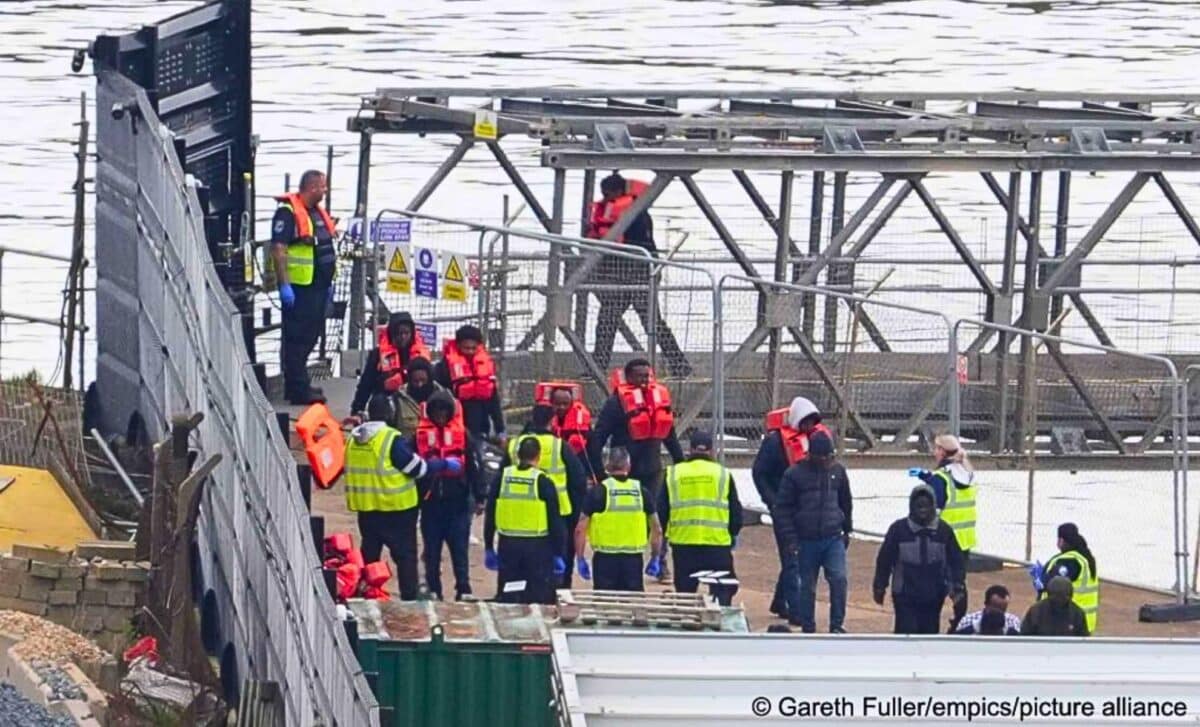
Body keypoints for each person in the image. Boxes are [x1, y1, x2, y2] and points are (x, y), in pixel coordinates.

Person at [587, 172, 691, 378]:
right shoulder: (614, 211)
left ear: (619, 192)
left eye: (609, 195)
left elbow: (638, 244)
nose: (606, 199)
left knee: (652, 322)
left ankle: (679, 365)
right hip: (618, 276)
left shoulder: (637, 214)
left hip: (641, 273)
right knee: (606, 320)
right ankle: (597, 367)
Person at [589, 359, 685, 576]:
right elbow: (598, 438)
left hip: (652, 469)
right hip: (623, 471)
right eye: (639, 376)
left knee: (657, 517)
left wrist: (680, 462)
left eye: (647, 376)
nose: (644, 380)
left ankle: (659, 562)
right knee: (619, 516)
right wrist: (598, 473)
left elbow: (669, 434)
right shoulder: (616, 403)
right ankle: (616, 558)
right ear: (628, 377)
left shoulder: (657, 399)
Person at [344, 394, 442, 601]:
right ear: (389, 414)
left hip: (368, 511)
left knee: (370, 558)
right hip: (397, 511)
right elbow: (416, 468)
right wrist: (437, 465)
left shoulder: (353, 439)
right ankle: (409, 600)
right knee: (406, 559)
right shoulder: (390, 438)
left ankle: (366, 595)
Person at [752, 397, 833, 619]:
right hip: (784, 509)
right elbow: (759, 473)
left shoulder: (816, 440)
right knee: (792, 558)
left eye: (812, 422)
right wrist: (773, 501)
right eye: (806, 422)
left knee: (795, 559)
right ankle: (797, 612)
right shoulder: (774, 442)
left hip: (806, 510)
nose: (809, 427)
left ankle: (780, 601)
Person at [773, 432, 852, 633]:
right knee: (807, 585)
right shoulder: (794, 475)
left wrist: (847, 529)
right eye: (822, 457)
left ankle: (837, 625)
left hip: (833, 536)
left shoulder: (838, 472)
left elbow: (846, 502)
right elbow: (783, 509)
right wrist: (790, 539)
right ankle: (808, 626)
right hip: (805, 539)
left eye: (829, 457)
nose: (826, 461)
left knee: (839, 579)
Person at [271, 170, 337, 404]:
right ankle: (298, 390)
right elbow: (279, 249)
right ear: (311, 188)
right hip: (300, 288)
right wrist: (284, 285)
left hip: (318, 285)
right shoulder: (287, 213)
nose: (325, 191)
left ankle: (299, 384)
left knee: (310, 336)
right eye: (322, 186)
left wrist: (328, 282)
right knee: (297, 339)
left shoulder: (315, 213)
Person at [505, 404, 587, 587]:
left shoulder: (516, 444)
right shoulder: (559, 446)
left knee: (524, 567)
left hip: (521, 514)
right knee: (559, 563)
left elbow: (502, 478)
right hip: (559, 512)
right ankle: (560, 593)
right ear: (552, 421)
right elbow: (579, 480)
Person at [413, 391, 484, 601]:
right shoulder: (419, 437)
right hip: (430, 503)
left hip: (458, 503)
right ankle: (434, 588)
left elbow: (474, 466)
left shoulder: (463, 435)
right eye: (437, 411)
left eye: (444, 410)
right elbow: (410, 464)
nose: (441, 415)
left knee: (459, 550)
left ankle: (464, 588)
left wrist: (480, 496)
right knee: (432, 551)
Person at [657, 431, 742, 605]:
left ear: (690, 450)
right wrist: (732, 533)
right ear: (711, 451)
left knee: (685, 595)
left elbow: (661, 512)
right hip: (716, 545)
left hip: (684, 545)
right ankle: (719, 626)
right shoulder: (722, 474)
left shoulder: (674, 474)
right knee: (723, 593)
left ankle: (689, 628)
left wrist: (662, 541)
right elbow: (736, 513)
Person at [872, 484, 966, 634]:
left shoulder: (944, 531)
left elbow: (956, 562)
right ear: (911, 507)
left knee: (929, 633)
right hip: (904, 594)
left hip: (934, 595)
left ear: (933, 506)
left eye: (926, 507)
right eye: (919, 507)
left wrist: (958, 588)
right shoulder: (898, 529)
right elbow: (884, 560)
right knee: (906, 633)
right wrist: (879, 586)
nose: (923, 511)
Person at [483, 437, 566, 604]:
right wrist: (558, 552)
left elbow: (490, 512)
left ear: (518, 455)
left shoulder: (503, 478)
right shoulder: (543, 481)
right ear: (538, 456)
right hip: (537, 548)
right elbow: (555, 520)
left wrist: (489, 546)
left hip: (508, 546)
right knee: (537, 597)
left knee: (510, 594)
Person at [574, 447, 661, 591]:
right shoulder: (641, 491)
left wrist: (580, 558)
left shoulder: (598, 492)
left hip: (604, 561)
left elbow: (580, 529)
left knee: (606, 607)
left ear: (608, 466)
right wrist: (655, 556)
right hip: (633, 561)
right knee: (632, 606)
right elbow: (656, 528)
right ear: (629, 466)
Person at [347, 312, 432, 421]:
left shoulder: (421, 354)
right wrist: (356, 410)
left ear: (412, 333)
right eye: (398, 334)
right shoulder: (377, 354)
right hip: (386, 401)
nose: (403, 337)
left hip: (413, 402)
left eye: (406, 333)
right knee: (378, 401)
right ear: (391, 334)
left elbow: (431, 382)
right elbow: (365, 384)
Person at [434, 325, 506, 441]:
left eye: (473, 348)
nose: (470, 352)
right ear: (458, 346)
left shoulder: (486, 366)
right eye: (466, 348)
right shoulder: (444, 367)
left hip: (481, 427)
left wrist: (500, 429)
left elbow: (494, 400)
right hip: (454, 425)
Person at [1032, 522, 1099, 634]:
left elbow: (1053, 585)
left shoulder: (1069, 561)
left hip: (1067, 621)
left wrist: (1040, 580)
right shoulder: (1085, 558)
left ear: (1061, 540)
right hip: (1083, 621)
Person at [1021, 576, 1090, 636]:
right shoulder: (1036, 611)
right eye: (1056, 597)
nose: (1059, 600)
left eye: (1063, 597)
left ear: (1070, 596)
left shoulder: (1077, 614)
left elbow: (1083, 641)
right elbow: (1025, 637)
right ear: (1049, 594)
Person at [954, 584, 1022, 635]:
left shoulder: (1013, 621)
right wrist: (975, 627)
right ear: (986, 604)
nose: (999, 612)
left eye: (1003, 609)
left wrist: (1007, 630)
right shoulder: (968, 620)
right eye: (996, 607)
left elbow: (1020, 643)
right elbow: (956, 642)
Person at [549, 386, 592, 460]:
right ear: (551, 403)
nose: (561, 407)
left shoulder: (580, 426)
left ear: (571, 404)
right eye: (557, 404)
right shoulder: (544, 420)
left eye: (565, 404)